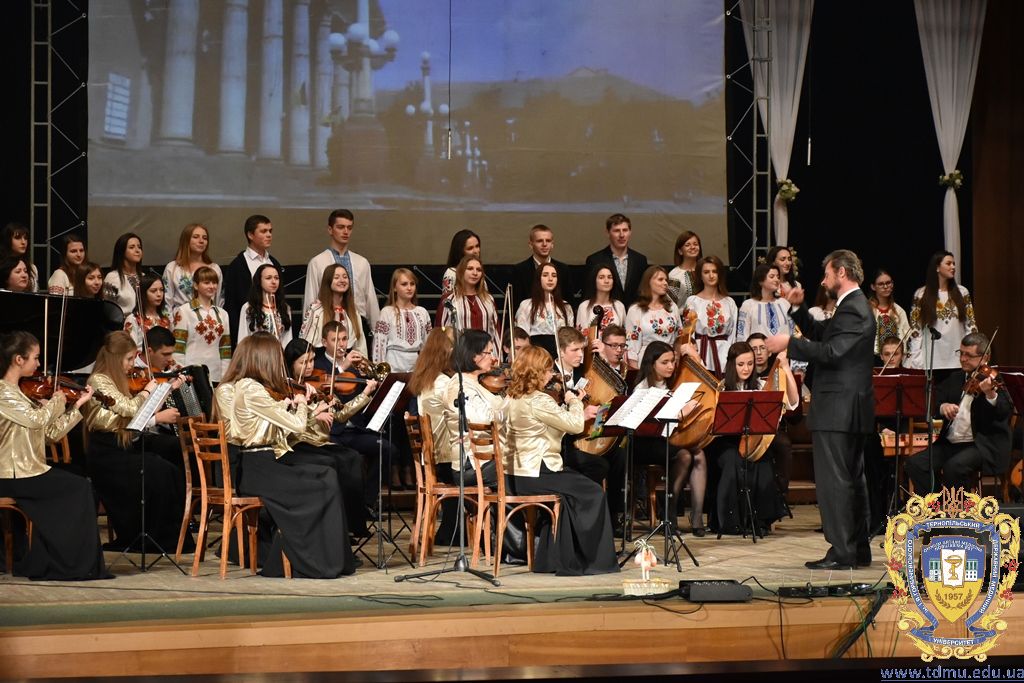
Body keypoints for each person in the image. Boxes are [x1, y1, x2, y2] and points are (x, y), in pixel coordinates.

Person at [766, 249, 875, 570]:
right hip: (846, 408)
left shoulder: (855, 308)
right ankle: (856, 548)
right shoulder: (851, 307)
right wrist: (798, 309)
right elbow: (824, 335)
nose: (824, 281)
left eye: (827, 274)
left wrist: (789, 343)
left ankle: (843, 551)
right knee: (850, 479)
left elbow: (831, 352)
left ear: (842, 273)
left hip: (839, 407)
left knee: (836, 482)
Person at [214, 334, 357, 578]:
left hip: (264, 463)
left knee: (327, 474)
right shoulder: (250, 389)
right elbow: (296, 425)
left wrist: (302, 406)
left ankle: (330, 557)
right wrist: (300, 403)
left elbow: (279, 421)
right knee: (323, 481)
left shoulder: (254, 388)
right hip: (259, 468)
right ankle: (311, 560)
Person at [0, 330, 109, 580]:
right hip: (11, 473)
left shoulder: (21, 393)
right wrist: (57, 400)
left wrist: (77, 406)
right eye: (35, 358)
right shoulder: (3, 393)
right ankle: (68, 563)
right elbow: (36, 420)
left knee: (82, 485)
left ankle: (62, 560)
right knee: (78, 488)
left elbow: (50, 434)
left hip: (28, 470)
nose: (39, 364)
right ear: (18, 359)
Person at [505, 345, 618, 576]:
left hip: (515, 474)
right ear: (537, 372)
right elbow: (575, 425)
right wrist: (574, 401)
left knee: (569, 497)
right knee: (593, 492)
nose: (551, 374)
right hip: (538, 471)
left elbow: (548, 427)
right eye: (548, 370)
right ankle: (593, 560)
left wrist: (564, 410)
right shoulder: (539, 400)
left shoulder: (511, 397)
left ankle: (553, 559)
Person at [83, 331, 185, 552]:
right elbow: (130, 409)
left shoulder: (119, 379)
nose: (132, 364)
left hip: (122, 444)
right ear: (114, 357)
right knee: (158, 471)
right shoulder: (98, 380)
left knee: (170, 462)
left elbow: (138, 416)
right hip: (106, 452)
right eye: (129, 359)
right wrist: (148, 391)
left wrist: (167, 389)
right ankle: (145, 536)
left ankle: (171, 536)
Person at [283, 338, 373, 538]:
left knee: (353, 458)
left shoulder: (320, 384)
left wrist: (365, 394)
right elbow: (289, 425)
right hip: (301, 444)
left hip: (322, 443)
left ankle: (354, 523)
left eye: (312, 360)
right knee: (338, 463)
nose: (309, 366)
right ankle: (338, 527)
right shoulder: (286, 389)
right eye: (303, 362)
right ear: (291, 363)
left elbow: (340, 414)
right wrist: (315, 414)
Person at [706, 342, 797, 535]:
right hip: (726, 441)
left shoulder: (762, 386)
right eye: (741, 364)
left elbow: (793, 402)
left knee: (762, 461)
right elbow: (716, 424)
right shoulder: (722, 387)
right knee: (733, 460)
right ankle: (730, 521)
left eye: (750, 364)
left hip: (754, 440)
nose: (746, 368)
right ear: (732, 365)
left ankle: (759, 520)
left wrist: (786, 369)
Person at [904, 332, 1012, 493]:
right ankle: (936, 503)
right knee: (915, 464)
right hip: (950, 443)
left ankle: (960, 508)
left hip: (981, 445)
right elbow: (933, 401)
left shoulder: (996, 379)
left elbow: (1004, 411)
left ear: (985, 357)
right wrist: (943, 407)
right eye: (961, 353)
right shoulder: (955, 378)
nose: (962, 359)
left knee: (953, 468)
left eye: (969, 355)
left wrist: (990, 395)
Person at [313, 321, 402, 498]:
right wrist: (342, 367)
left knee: (388, 449)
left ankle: (368, 499)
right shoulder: (318, 366)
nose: (341, 344)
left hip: (356, 428)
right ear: (324, 342)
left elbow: (366, 398)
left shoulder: (355, 366)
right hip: (332, 430)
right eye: (335, 340)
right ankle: (348, 501)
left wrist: (369, 381)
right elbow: (325, 390)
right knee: (349, 458)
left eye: (344, 339)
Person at [632, 341, 705, 534]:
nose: (671, 366)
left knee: (698, 454)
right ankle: (669, 514)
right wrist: (681, 414)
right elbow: (650, 425)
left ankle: (694, 517)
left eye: (672, 361)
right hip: (646, 443)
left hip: (668, 439)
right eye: (665, 362)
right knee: (685, 456)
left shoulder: (674, 383)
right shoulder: (642, 388)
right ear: (651, 364)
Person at [303, 209, 380, 328]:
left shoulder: (362, 262)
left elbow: (370, 299)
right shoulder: (317, 262)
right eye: (340, 227)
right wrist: (309, 330)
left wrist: (377, 332)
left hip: (358, 322)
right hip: (328, 324)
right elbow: (310, 299)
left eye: (349, 228)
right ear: (330, 230)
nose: (345, 232)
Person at [906, 251, 978, 376]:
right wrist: (916, 357)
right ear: (937, 267)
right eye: (948, 263)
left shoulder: (962, 292)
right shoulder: (921, 294)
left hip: (957, 360)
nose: (953, 267)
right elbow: (916, 330)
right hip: (931, 361)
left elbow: (970, 325)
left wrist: (972, 353)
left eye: (954, 264)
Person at [223, 214, 283, 350]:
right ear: (250, 235)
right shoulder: (238, 266)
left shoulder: (274, 263)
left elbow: (280, 296)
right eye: (263, 231)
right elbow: (232, 305)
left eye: (270, 231)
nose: (269, 235)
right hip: (249, 332)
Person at [171, 266, 231, 383]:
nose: (212, 286)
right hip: (191, 373)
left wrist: (225, 376)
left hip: (216, 374)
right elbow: (178, 348)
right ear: (195, 285)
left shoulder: (223, 314)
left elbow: (225, 349)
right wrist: (181, 375)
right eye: (206, 282)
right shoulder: (184, 311)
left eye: (214, 282)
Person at [683, 255, 737, 376]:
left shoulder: (729, 302)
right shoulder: (693, 301)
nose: (711, 275)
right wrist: (694, 355)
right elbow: (687, 334)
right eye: (706, 272)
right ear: (700, 275)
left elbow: (733, 334)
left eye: (714, 271)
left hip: (724, 355)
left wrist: (732, 357)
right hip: (700, 352)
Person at [435, 256, 500, 354]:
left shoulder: (488, 299)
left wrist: (497, 357)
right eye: (470, 269)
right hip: (459, 356)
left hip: (485, 355)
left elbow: (496, 331)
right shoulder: (449, 299)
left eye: (479, 270)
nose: (475, 273)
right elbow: (440, 331)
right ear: (461, 271)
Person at [372, 268, 432, 372]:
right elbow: (379, 344)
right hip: (393, 365)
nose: (409, 288)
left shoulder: (422, 312)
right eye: (404, 284)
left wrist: (427, 369)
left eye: (412, 284)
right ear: (395, 288)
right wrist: (379, 371)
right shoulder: (387, 312)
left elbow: (428, 344)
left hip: (416, 366)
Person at [624, 266, 683, 369]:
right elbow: (632, 345)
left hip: (669, 362)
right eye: (660, 279)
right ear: (648, 282)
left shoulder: (672, 307)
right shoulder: (636, 310)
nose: (665, 283)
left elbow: (679, 337)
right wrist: (635, 372)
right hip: (646, 362)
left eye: (666, 280)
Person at [299, 264, 366, 355]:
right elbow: (305, 343)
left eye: (345, 277)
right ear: (328, 281)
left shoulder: (353, 311)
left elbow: (360, 345)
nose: (342, 280)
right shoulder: (316, 310)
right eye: (336, 277)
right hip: (321, 360)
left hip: (347, 361)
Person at [585, 213, 649, 308]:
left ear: (630, 232)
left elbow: (644, 292)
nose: (622, 235)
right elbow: (589, 293)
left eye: (625, 230)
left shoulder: (640, 260)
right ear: (608, 233)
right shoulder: (595, 260)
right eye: (616, 231)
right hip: (607, 311)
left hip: (634, 312)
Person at [515, 263, 574, 359]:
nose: (550, 279)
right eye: (545, 275)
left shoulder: (565, 307)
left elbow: (570, 337)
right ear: (538, 279)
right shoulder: (527, 305)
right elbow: (522, 336)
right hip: (536, 356)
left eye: (554, 276)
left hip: (559, 356)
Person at [162, 223, 223, 311]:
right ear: (186, 240)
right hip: (180, 317)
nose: (201, 241)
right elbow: (166, 301)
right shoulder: (172, 268)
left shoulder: (214, 268)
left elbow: (218, 300)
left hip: (207, 317)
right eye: (196, 237)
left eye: (205, 238)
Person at [511, 224, 574, 310]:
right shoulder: (519, 270)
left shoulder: (563, 270)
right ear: (530, 244)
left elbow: (569, 302)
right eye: (539, 241)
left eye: (548, 241)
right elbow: (515, 305)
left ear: (552, 244)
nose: (544, 244)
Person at [237, 264, 293, 347]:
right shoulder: (249, 307)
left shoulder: (285, 307)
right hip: (256, 353)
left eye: (276, 278)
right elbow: (243, 337)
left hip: (278, 353)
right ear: (259, 281)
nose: (273, 282)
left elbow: (287, 338)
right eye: (268, 278)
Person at [736, 263, 795, 341]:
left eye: (778, 277)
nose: (776, 280)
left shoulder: (784, 303)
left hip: (784, 348)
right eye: (772, 276)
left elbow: (792, 331)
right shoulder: (748, 305)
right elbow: (742, 335)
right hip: (758, 348)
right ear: (760, 281)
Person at [868, 268, 910, 359]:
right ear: (873, 287)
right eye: (881, 284)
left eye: (888, 283)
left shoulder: (899, 311)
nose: (885, 286)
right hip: (872, 358)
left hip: (895, 359)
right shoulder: (867, 310)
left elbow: (906, 338)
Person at [124, 275, 171, 356]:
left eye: (161, 290)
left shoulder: (165, 319)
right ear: (143, 293)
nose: (159, 294)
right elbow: (129, 350)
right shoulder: (132, 319)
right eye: (153, 291)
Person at [102, 232, 144, 316]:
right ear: (121, 251)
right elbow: (108, 310)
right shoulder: (113, 277)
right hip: (121, 322)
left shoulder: (144, 277)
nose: (137, 250)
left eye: (139, 247)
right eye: (132, 247)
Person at [576, 264, 626, 334]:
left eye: (610, 277)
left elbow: (623, 333)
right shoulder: (584, 306)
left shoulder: (619, 306)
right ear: (594, 280)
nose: (606, 281)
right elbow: (580, 335)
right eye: (601, 277)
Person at [440, 229, 481, 301]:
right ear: (460, 251)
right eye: (470, 248)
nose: (476, 251)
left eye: (477, 246)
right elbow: (447, 303)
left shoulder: (478, 272)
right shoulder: (451, 273)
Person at [667, 230, 702, 309]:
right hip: (682, 315)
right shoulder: (674, 275)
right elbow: (669, 305)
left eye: (695, 244)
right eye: (687, 245)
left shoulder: (705, 270)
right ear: (680, 251)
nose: (692, 247)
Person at [0, 223, 38, 291]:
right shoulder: (2, 264)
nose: (23, 242)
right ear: (8, 240)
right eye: (17, 238)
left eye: (25, 238)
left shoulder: (32, 268)